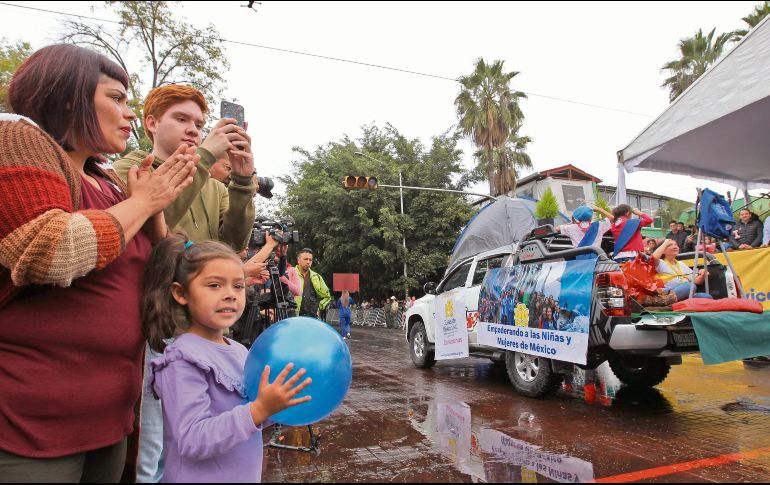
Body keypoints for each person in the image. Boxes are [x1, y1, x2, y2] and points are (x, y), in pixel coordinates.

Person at [0, 44, 195, 482]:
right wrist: (143, 202)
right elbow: (50, 251)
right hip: (30, 424)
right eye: (116, 98)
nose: (129, 114)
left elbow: (162, 276)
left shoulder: (108, 180)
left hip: (108, 420)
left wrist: (151, 207)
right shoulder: (16, 138)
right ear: (69, 97)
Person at [142, 236, 312, 483]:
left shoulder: (240, 351)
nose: (231, 295)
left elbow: (245, 419)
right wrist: (259, 409)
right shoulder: (183, 359)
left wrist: (277, 405)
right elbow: (193, 439)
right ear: (181, 293)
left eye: (238, 286)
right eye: (214, 285)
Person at [112, 84, 256, 251]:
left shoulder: (215, 187)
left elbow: (235, 244)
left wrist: (242, 181)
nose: (193, 131)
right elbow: (139, 232)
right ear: (152, 123)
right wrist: (205, 156)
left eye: (199, 125)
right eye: (181, 119)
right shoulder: (130, 169)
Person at [294, 248, 331, 318]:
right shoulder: (290, 273)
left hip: (312, 317)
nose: (308, 262)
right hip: (294, 316)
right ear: (298, 260)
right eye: (305, 259)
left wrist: (319, 307)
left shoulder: (317, 277)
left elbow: (327, 296)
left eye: (310, 260)